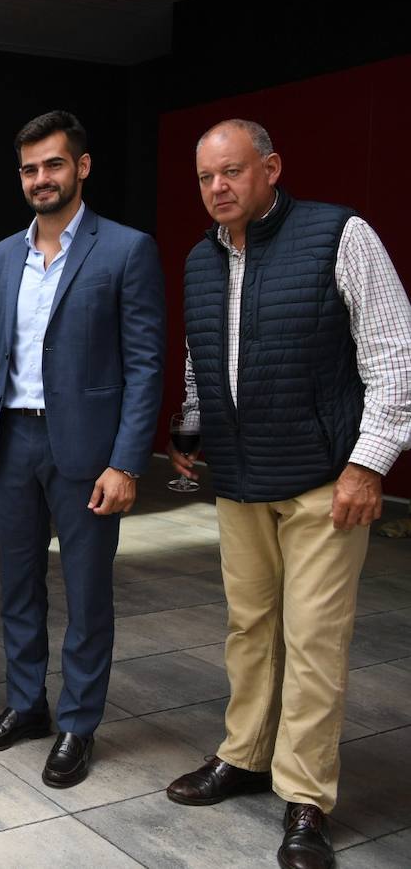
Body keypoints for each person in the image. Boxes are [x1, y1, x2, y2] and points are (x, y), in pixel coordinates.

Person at [165, 119, 411, 869]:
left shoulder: (342, 235)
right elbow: (202, 350)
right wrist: (193, 424)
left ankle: (305, 797)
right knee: (249, 629)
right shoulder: (201, 258)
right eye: (207, 177)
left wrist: (368, 465)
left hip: (322, 482)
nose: (218, 188)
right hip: (241, 479)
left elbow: (395, 353)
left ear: (270, 168)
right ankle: (242, 756)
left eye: (233, 172)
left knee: (312, 642)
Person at [0, 110, 166, 788]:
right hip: (13, 442)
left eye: (53, 164)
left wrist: (127, 460)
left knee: (87, 593)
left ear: (81, 166)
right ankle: (27, 704)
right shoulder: (1, 255)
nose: (41, 178)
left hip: (86, 449)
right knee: (16, 586)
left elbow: (146, 363)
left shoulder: (126, 249)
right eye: (29, 168)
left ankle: (79, 722)